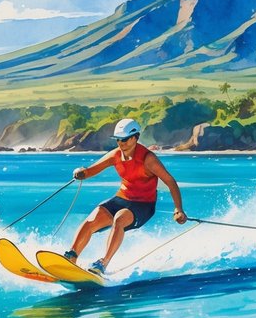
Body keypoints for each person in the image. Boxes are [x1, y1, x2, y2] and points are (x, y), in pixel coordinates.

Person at [64, 118, 186, 276]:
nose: (121, 143)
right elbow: (90, 170)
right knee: (92, 219)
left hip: (143, 205)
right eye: (118, 139)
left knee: (119, 219)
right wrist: (82, 173)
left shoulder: (148, 159)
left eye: (125, 139)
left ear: (135, 137)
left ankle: (102, 264)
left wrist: (178, 209)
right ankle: (71, 257)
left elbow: (170, 182)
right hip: (122, 198)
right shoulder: (115, 155)